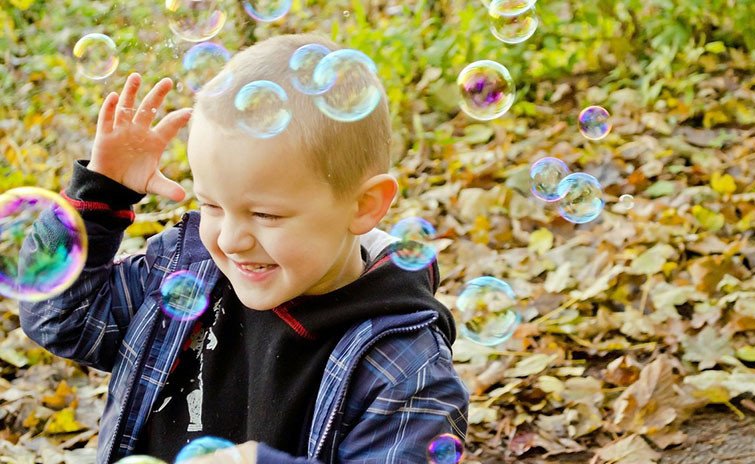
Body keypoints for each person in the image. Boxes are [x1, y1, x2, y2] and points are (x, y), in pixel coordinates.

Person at [18, 33, 468, 464]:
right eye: (211, 206)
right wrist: (101, 194)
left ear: (364, 205)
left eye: (265, 215)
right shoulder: (185, 270)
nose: (231, 240)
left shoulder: (404, 367)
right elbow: (61, 318)